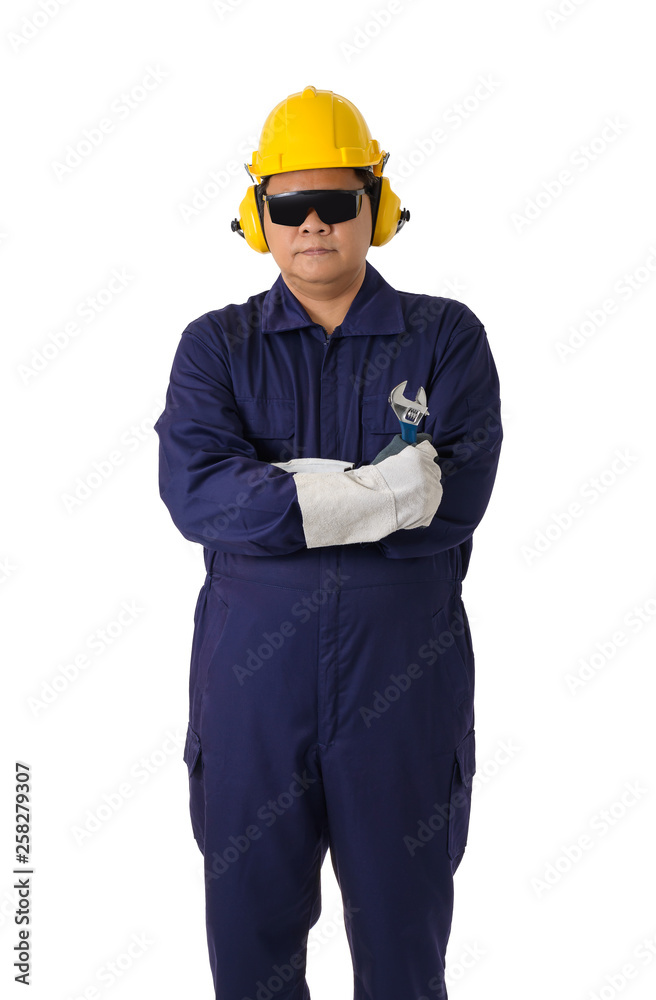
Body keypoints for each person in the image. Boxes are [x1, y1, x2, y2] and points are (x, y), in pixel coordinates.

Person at [154, 84, 503, 1000]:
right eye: (290, 205)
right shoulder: (216, 347)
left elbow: (454, 499)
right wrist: (381, 488)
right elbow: (197, 495)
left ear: (375, 207)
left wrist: (286, 492)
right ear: (257, 217)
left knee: (404, 942)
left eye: (337, 201)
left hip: (404, 683)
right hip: (252, 692)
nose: (313, 223)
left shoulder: (447, 337)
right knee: (250, 945)